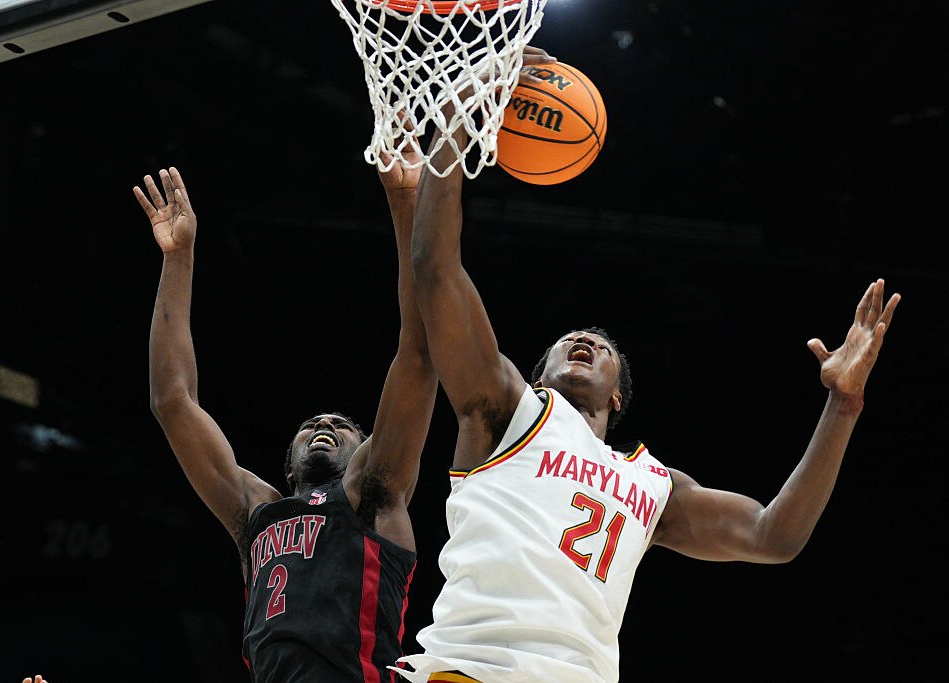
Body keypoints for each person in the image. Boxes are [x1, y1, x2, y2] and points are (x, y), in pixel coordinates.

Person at [393, 48, 902, 683]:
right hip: (466, 670)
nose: (584, 342)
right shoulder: (505, 409)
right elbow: (436, 270)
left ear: (616, 399)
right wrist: (456, 123)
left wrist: (842, 406)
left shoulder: (654, 486)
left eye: (601, 345)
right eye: (569, 341)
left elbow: (775, 536)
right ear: (537, 371)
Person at [133, 149, 438, 681]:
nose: (323, 426)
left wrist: (405, 198)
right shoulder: (256, 511)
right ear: (289, 463)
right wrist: (178, 258)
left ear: (365, 449)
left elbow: (419, 353)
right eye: (311, 426)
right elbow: (172, 401)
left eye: (342, 428)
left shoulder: (375, 493)